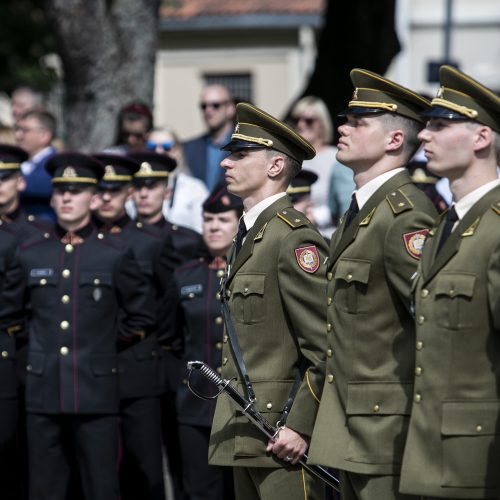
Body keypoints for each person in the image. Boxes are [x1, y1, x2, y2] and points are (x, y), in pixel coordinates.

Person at [307, 68, 438, 500]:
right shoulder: (364, 210)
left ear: (394, 140)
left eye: (358, 123)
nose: (342, 128)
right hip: (350, 426)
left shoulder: (404, 217)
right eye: (345, 119)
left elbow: (431, 327)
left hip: (384, 429)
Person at [6, 152, 156, 500]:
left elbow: (141, 315)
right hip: (43, 391)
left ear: (92, 196)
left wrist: (102, 347)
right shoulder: (30, 252)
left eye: (77, 191)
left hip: (96, 391)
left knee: (101, 487)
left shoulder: (114, 253)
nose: (67, 199)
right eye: (61, 192)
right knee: (46, 488)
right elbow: (12, 314)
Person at [208, 102, 328, 500]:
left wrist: (301, 425)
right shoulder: (249, 234)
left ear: (275, 166)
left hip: (282, 434)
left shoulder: (291, 238)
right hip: (247, 430)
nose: (227, 164)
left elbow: (323, 346)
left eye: (241, 156)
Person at [398, 66, 500, 499]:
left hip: (478, 458)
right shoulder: (445, 225)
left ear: (481, 138)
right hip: (429, 452)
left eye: (440, 126)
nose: (423, 137)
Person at [92, 153, 172, 500]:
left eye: (116, 190)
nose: (107, 197)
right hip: (91, 372)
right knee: (98, 468)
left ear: (128, 193)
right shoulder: (83, 241)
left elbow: (168, 308)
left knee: (144, 468)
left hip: (137, 368)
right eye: (101, 190)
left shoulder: (150, 242)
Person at [128, 150, 204, 499]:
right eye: (139, 186)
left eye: (153, 185)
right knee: (139, 457)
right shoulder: (121, 239)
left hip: (176, 358)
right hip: (137, 358)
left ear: (167, 191)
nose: (145, 193)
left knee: (182, 453)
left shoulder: (188, 239)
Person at [173, 182, 240, 500]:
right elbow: (171, 335)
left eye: (223, 220)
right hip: (196, 403)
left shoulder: (248, 270)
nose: (214, 227)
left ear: (239, 223)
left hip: (242, 404)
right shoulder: (185, 274)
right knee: (199, 489)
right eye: (208, 220)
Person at [290, 96, 354, 236]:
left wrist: (315, 218)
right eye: (296, 120)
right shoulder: (291, 159)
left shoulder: (338, 157)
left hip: (327, 237)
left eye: (308, 120)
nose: (301, 125)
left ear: (322, 123)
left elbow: (345, 203)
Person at [146, 126, 208, 233]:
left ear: (178, 151)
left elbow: (202, 231)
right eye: (152, 147)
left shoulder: (194, 188)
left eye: (166, 147)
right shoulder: (135, 187)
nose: (159, 152)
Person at [183, 84, 236, 191]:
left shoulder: (245, 146)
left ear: (230, 109)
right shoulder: (188, 148)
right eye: (204, 106)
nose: (208, 110)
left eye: (215, 105)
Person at [15, 109, 58, 221]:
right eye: (18, 129)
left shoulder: (54, 163)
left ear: (44, 135)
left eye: (25, 130)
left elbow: (44, 185)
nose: (18, 135)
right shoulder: (21, 163)